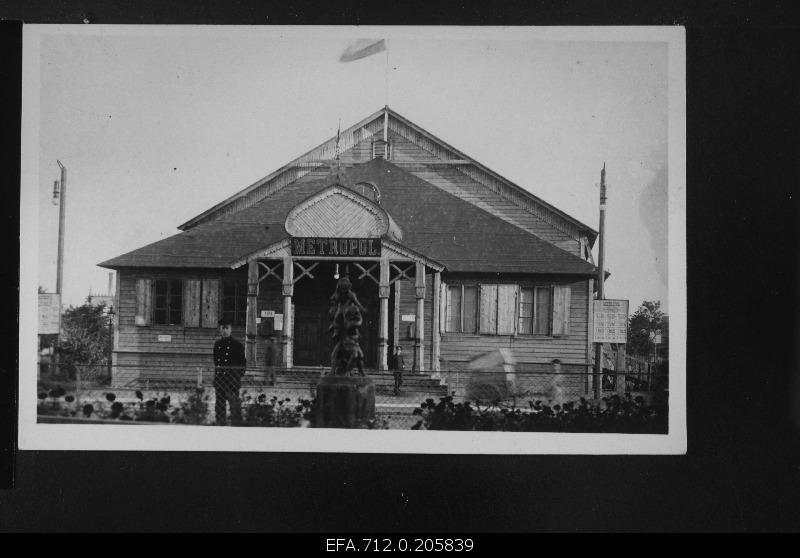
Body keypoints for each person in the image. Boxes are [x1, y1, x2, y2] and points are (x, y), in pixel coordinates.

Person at [213, 317, 246, 425]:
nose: (224, 331)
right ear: (220, 329)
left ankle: (236, 426)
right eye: (222, 328)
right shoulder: (217, 345)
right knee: (219, 407)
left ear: (231, 329)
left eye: (226, 328)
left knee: (234, 406)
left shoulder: (237, 345)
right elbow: (216, 362)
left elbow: (243, 364)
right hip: (220, 381)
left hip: (232, 382)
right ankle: (220, 425)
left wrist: (236, 376)